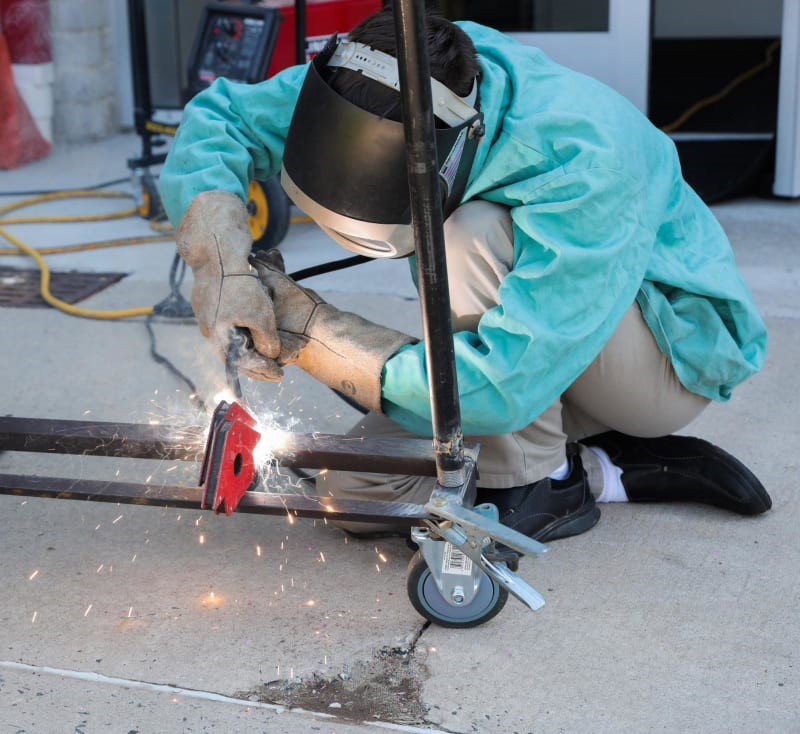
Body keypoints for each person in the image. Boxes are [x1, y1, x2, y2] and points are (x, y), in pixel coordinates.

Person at [159, 7, 771, 543]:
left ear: (443, 145)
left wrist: (317, 334)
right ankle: (600, 463)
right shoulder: (380, 69)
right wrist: (223, 264)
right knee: (355, 491)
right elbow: (222, 118)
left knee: (469, 231)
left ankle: (547, 484)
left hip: (661, 356)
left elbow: (499, 388)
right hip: (553, 335)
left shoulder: (586, 161)